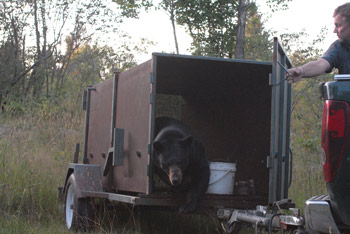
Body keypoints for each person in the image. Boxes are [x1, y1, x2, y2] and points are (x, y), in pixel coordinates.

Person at [287, 2, 350, 83]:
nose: (334, 31)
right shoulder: (338, 47)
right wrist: (301, 71)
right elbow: (320, 64)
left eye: (338, 25)